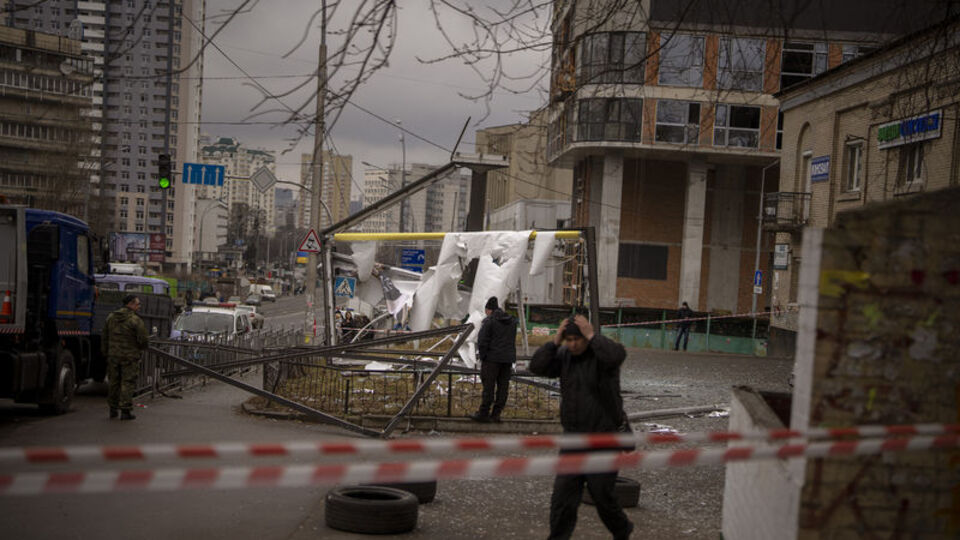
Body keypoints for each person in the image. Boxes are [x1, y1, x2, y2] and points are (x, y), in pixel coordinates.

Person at [529, 314, 634, 540]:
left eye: (578, 339)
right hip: (573, 440)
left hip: (603, 439)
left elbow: (617, 356)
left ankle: (622, 530)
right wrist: (554, 341)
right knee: (562, 498)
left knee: (602, 495)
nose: (573, 344)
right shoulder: (564, 356)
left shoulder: (602, 356)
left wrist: (593, 336)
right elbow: (536, 366)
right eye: (569, 340)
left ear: (586, 337)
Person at [470, 296, 518, 423]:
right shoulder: (512, 321)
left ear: (488, 310)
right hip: (507, 360)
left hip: (491, 359)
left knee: (489, 387)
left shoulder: (489, 321)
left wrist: (483, 356)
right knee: (503, 388)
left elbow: (482, 341)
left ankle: (483, 413)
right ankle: (496, 414)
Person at [102, 294, 148, 420]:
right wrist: (140, 349)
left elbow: (104, 336)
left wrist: (106, 352)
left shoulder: (111, 317)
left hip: (113, 355)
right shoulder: (135, 320)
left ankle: (112, 409)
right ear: (131, 304)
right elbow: (143, 339)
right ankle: (125, 410)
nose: (139, 306)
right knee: (127, 382)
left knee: (113, 382)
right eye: (138, 304)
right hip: (130, 357)